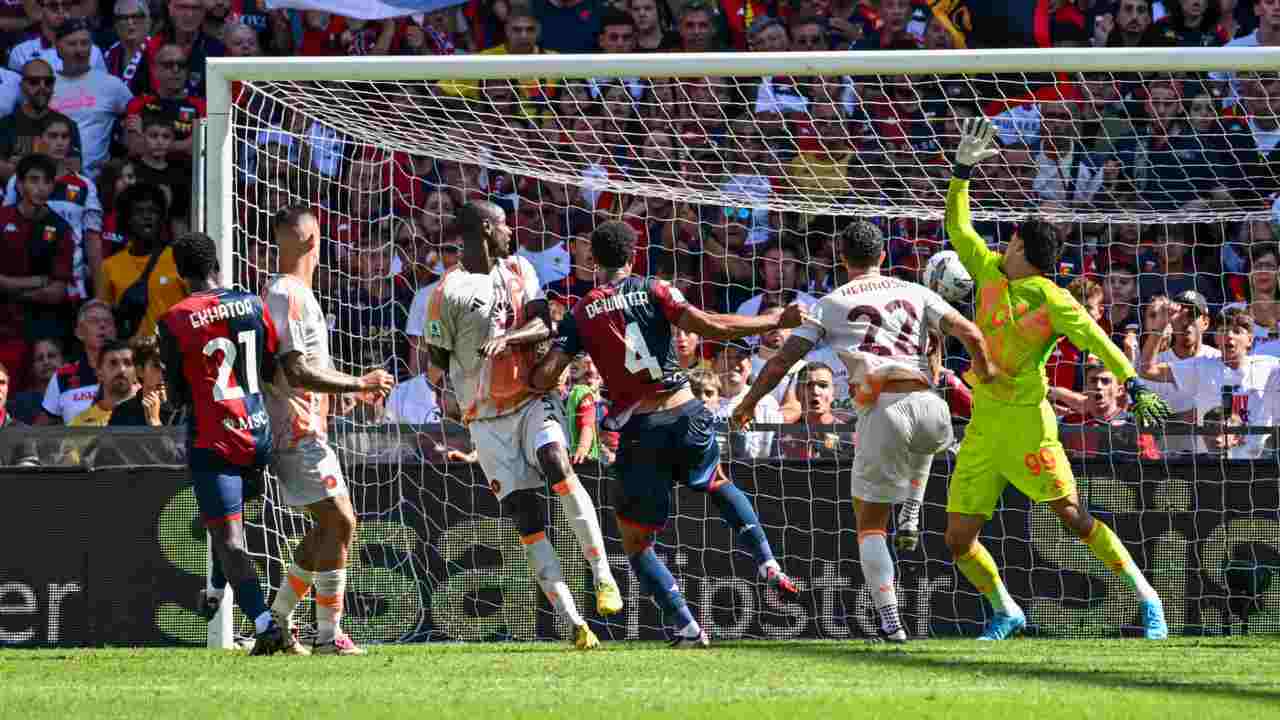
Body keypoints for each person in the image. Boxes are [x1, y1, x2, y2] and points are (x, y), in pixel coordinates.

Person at [940, 117, 1171, 640]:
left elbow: (1095, 337)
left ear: (1019, 243)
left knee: (1071, 513)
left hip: (1028, 423)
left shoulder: (1053, 299)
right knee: (958, 538)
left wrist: (1130, 381)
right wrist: (962, 172)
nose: (1003, 242)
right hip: (983, 425)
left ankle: (1146, 596)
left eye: (1011, 236)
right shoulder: (989, 270)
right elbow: (958, 228)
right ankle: (1005, 609)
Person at [530, 220, 804, 648]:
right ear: (633, 256)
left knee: (636, 542)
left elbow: (546, 377)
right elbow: (708, 324)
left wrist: (535, 357)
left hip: (639, 431)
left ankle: (688, 627)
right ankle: (767, 561)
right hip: (685, 411)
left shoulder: (582, 311)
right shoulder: (656, 289)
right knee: (717, 481)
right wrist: (770, 320)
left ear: (593, 261)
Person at [732, 219, 996, 643]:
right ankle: (912, 505)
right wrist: (988, 373)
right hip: (933, 409)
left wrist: (747, 404)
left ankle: (891, 621)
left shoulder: (830, 303)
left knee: (870, 524)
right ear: (883, 257)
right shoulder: (916, 291)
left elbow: (781, 361)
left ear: (842, 259)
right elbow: (970, 331)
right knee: (921, 440)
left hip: (884, 409)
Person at [423, 200, 622, 650]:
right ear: (486, 230)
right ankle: (574, 623)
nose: (511, 232)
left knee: (556, 462)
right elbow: (435, 362)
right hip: (486, 419)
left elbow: (543, 323)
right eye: (504, 226)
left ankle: (603, 575)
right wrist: (448, 395)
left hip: (533, 400)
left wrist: (508, 338)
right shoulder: (446, 292)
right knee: (526, 519)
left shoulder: (520, 270)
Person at [262, 205, 396, 656]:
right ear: (312, 240)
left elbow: (309, 369)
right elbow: (297, 370)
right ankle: (328, 636)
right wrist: (360, 381)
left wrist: (345, 391)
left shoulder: (296, 293)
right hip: (295, 429)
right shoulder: (288, 294)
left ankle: (277, 622)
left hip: (306, 424)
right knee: (341, 520)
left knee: (325, 529)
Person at [157, 230, 287, 655]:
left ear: (180, 275)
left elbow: (177, 395)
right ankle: (214, 591)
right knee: (226, 526)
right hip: (259, 432)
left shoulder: (174, 319)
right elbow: (269, 365)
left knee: (229, 536)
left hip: (216, 440)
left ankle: (267, 625)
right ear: (216, 265)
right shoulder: (253, 303)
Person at [1139, 305, 1280, 458]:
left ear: (1250, 340)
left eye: (1237, 331)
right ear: (1215, 338)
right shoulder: (1202, 365)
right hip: (1210, 463)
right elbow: (1147, 370)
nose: (1229, 336)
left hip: (1259, 463)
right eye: (1223, 331)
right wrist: (1160, 326)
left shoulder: (1270, 367)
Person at [0, 153, 75, 388]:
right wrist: (38, 281)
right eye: (33, 180)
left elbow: (56, 292)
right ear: (20, 185)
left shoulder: (61, 228)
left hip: (42, 327)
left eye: (46, 182)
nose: (40, 188)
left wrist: (8, 287)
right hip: (3, 325)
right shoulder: (1, 218)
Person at [97, 183, 186, 340]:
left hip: (174, 358)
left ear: (162, 218)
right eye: (139, 211)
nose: (147, 217)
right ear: (127, 219)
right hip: (130, 360)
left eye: (153, 211)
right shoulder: (109, 267)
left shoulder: (181, 259)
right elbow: (102, 323)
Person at [48, 19, 133, 179]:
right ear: (58, 48)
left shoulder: (111, 84)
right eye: (72, 44)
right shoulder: (45, 85)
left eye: (85, 43)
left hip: (97, 180)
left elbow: (136, 113)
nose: (80, 50)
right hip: (51, 178)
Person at [0, 59, 83, 185]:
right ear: (22, 85)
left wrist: (21, 163)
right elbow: (2, 171)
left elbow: (73, 168)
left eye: (48, 82)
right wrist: (53, 163)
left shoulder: (67, 124)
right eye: (34, 82)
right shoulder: (5, 125)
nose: (42, 87)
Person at [42, 299, 115, 424]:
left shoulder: (130, 372)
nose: (102, 325)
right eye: (94, 321)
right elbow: (40, 428)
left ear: (115, 331)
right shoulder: (62, 376)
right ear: (79, 333)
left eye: (108, 321)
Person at [109, 334, 182, 426]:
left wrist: (155, 422)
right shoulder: (122, 412)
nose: (164, 374)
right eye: (157, 366)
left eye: (169, 366)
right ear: (140, 371)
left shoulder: (183, 413)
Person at [68, 338, 134, 426]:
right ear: (98, 372)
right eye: (113, 363)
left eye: (128, 363)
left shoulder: (150, 411)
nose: (122, 369)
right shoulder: (80, 424)